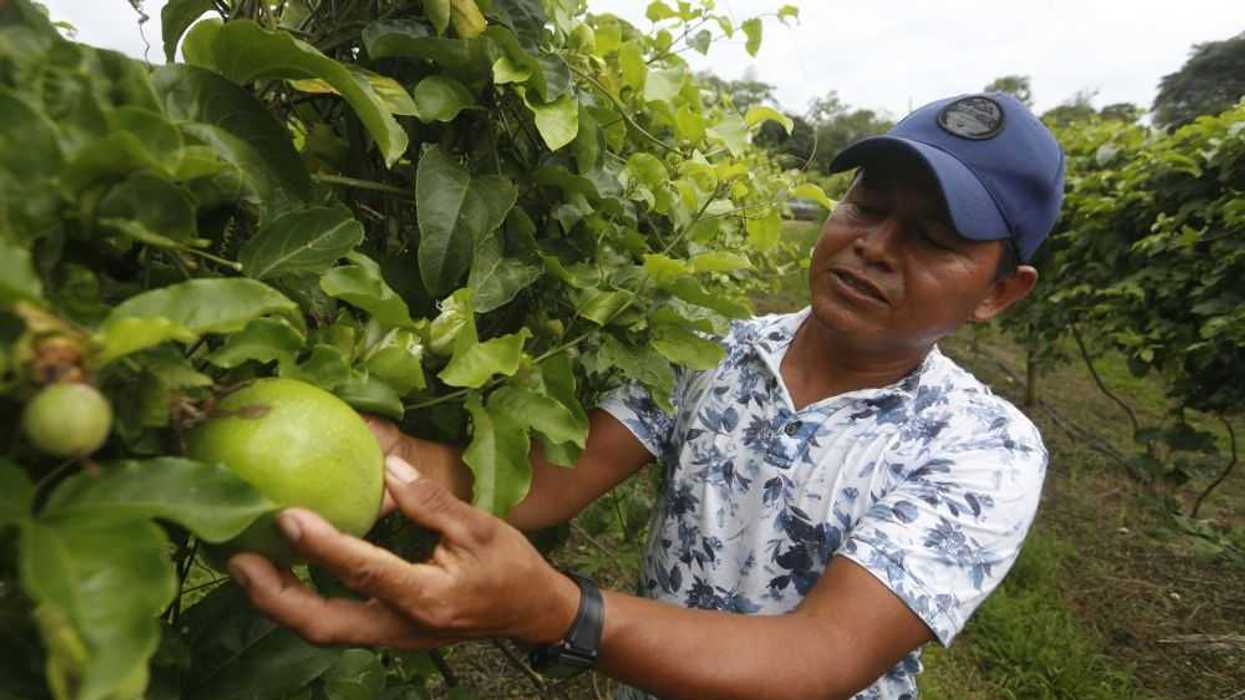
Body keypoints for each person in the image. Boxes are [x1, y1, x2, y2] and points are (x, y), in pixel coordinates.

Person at [225, 92, 1065, 699]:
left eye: (932, 239)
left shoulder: (981, 447)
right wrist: (394, 457)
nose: (873, 246)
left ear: (999, 292)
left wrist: (556, 612)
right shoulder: (711, 350)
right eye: (866, 207)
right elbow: (549, 486)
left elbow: (819, 659)